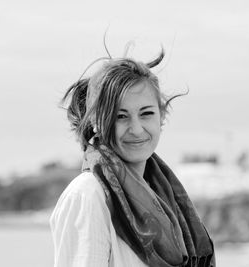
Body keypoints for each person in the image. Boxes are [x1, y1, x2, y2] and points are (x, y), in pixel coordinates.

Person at [50, 48, 215, 267]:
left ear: (162, 115)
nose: (136, 129)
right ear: (97, 121)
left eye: (146, 113)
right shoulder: (89, 195)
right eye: (120, 116)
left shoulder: (167, 197)